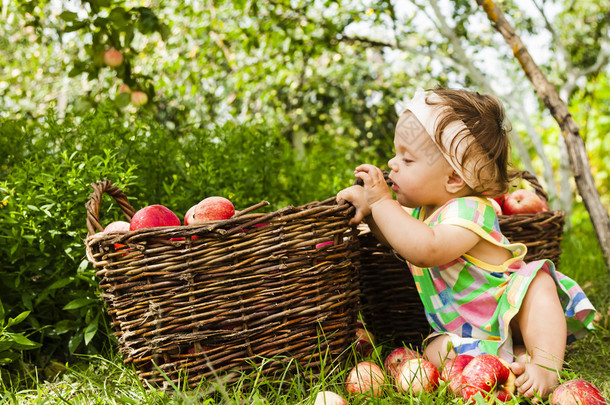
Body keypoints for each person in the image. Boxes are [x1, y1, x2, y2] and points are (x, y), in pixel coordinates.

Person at [337, 87, 596, 400]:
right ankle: (508, 361)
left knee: (537, 284)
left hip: (508, 310)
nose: (392, 164)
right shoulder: (418, 212)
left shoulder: (471, 210)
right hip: (464, 331)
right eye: (396, 153)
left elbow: (425, 249)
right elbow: (400, 241)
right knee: (432, 351)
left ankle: (543, 365)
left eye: (407, 158)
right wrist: (371, 212)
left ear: (453, 180)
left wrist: (380, 200)